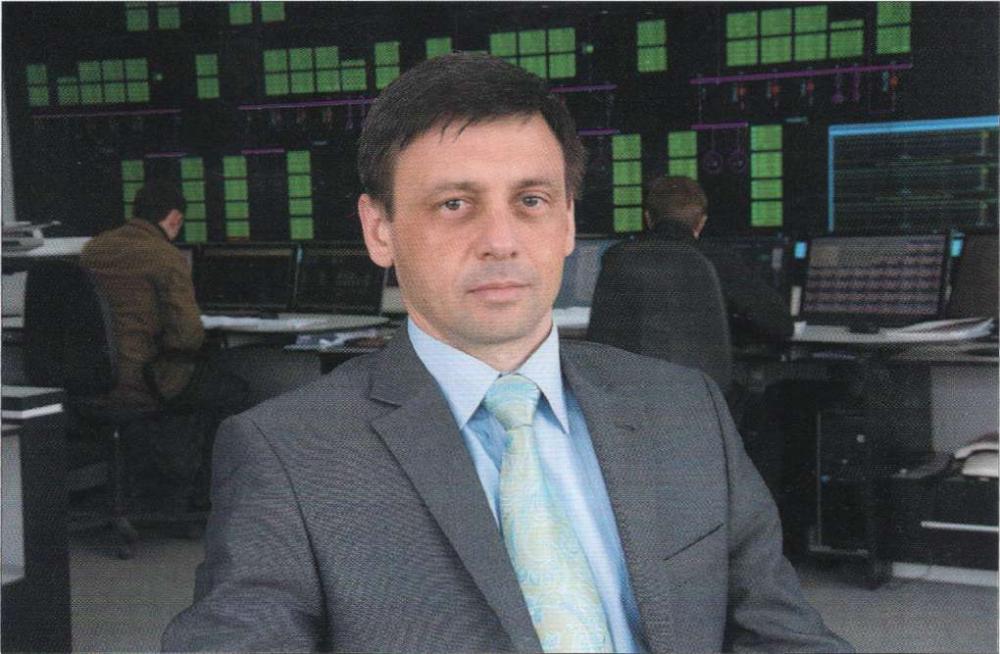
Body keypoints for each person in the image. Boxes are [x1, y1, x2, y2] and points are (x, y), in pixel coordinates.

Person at [162, 54, 849, 653]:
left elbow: (779, 634)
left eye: (531, 200)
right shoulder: (288, 455)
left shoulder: (685, 407)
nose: (501, 240)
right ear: (380, 230)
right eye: (454, 204)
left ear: (568, 221)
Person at [80, 180, 249, 508]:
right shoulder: (165, 256)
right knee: (232, 391)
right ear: (174, 218)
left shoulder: (92, 250)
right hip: (143, 381)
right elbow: (188, 335)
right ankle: (202, 502)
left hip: (90, 382)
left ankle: (158, 488)